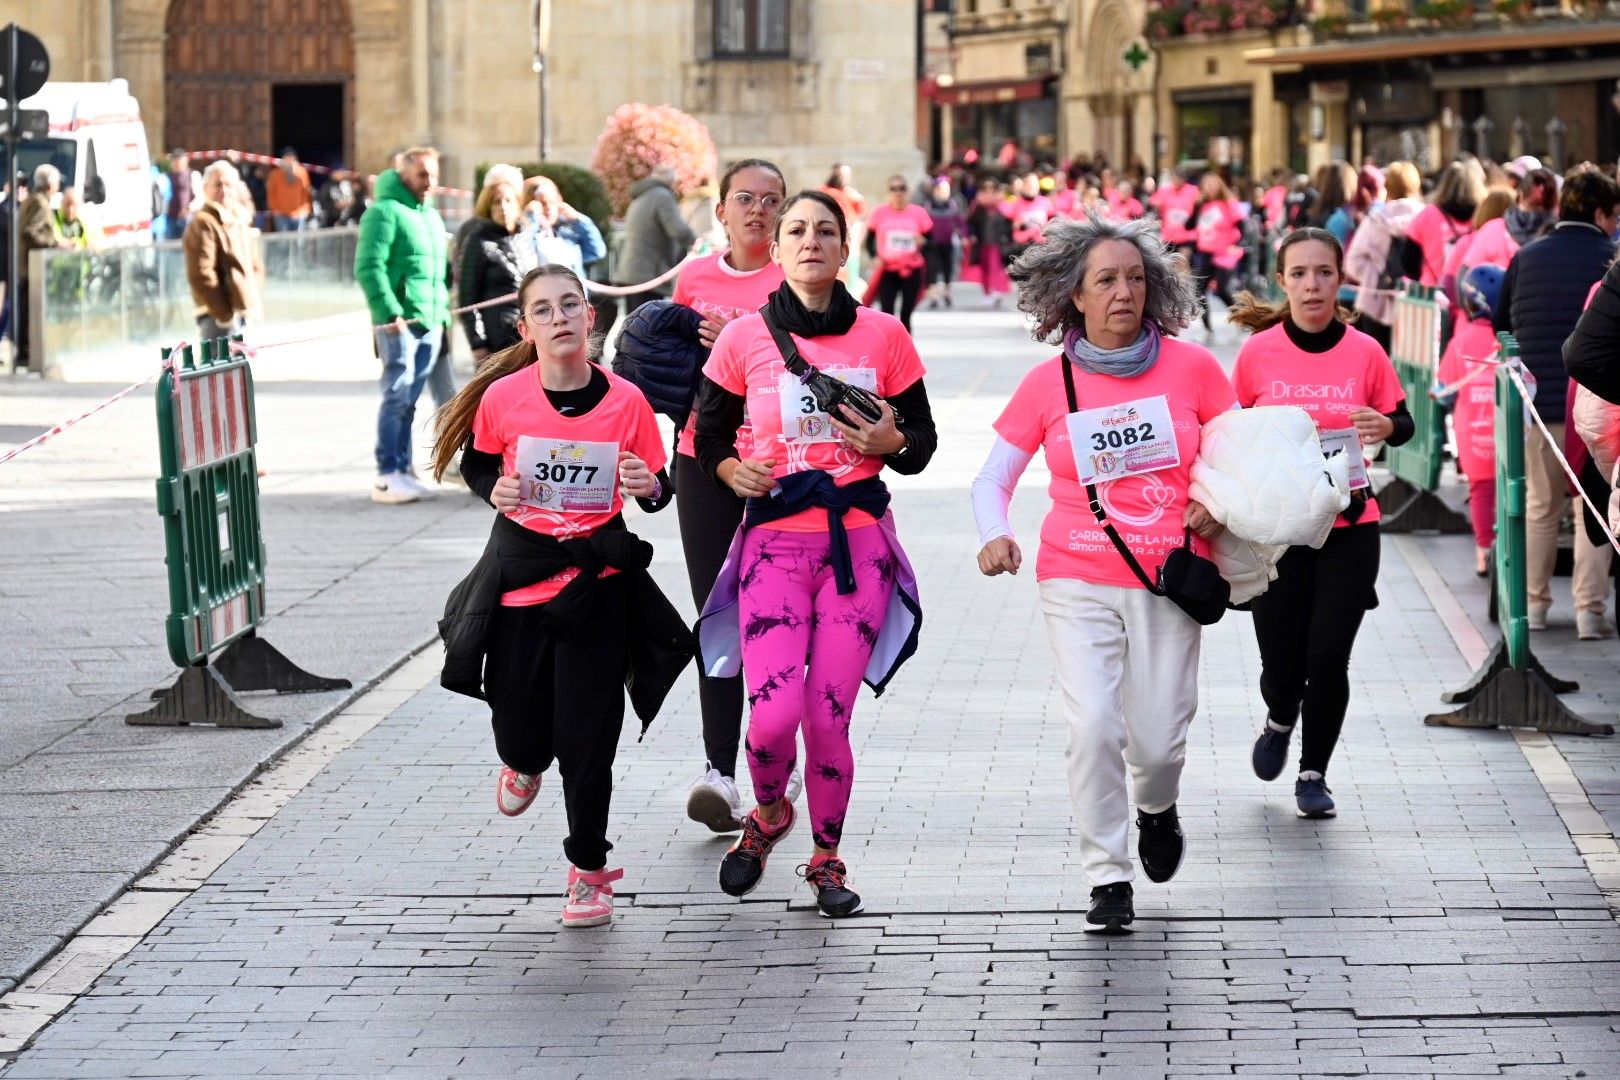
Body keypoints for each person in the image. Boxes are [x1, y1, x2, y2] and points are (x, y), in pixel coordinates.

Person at [971, 215, 1235, 932]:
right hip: (1074, 575)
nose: (1124, 292)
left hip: (1168, 583)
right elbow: (991, 480)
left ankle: (1157, 807)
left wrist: (1217, 503)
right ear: (1074, 297)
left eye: (1135, 279)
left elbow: (1242, 457)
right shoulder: (1047, 382)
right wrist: (995, 535)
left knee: (1157, 740)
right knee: (1091, 725)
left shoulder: (1195, 369)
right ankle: (1107, 877)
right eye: (1106, 280)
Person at [692, 190, 936, 918]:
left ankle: (826, 856)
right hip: (772, 548)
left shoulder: (885, 336)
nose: (809, 241)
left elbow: (920, 444)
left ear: (845, 246)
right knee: (769, 724)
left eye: (825, 231)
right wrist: (733, 473)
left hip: (857, 549)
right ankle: (768, 815)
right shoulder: (744, 340)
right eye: (796, 229)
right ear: (778, 246)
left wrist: (893, 444)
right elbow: (706, 438)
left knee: (827, 721)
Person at [431, 263, 682, 928]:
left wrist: (646, 484)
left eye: (571, 305)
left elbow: (659, 488)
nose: (560, 317)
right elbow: (481, 461)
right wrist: (494, 490)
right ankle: (519, 762)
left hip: (597, 589)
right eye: (544, 310)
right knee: (521, 730)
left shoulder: (626, 401)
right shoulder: (503, 398)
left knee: (589, 742)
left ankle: (588, 872)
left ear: (591, 317)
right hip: (521, 584)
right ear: (527, 327)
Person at [1227, 228, 1413, 819]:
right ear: (1282, 280)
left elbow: (1402, 420)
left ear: (1340, 279)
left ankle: (1314, 773)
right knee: (1282, 664)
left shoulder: (1365, 350)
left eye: (1324, 273)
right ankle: (1280, 715)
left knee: (1328, 657)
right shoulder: (1258, 353)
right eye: (1301, 273)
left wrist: (1387, 428)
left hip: (1351, 525)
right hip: (1278, 533)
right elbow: (1231, 435)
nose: (1313, 285)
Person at [669, 158, 791, 832]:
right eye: (744, 198)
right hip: (701, 459)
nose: (758, 210)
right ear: (720, 210)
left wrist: (744, 346)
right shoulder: (694, 279)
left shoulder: (798, 278)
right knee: (717, 613)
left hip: (782, 467)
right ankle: (718, 772)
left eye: (771, 200)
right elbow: (666, 372)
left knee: (775, 616)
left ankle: (774, 758)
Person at [1495, 166, 1620, 638]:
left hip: (1539, 402)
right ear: (1600, 212)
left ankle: (1534, 610)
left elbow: (1500, 320)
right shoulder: (1610, 259)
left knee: (1540, 507)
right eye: (1614, 215)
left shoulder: (1527, 256)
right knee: (1593, 504)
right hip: (1599, 406)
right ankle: (1590, 613)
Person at [355, 146, 452, 505]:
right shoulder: (383, 212)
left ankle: (403, 469)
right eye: (422, 174)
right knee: (396, 395)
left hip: (429, 320)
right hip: (400, 323)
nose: (429, 182)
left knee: (409, 400)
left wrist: (441, 314)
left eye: (434, 175)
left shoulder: (429, 215)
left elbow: (437, 274)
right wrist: (388, 313)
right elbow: (369, 267)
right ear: (403, 172)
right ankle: (386, 473)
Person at [1438, 264, 1506, 576]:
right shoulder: (1508, 339)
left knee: (1480, 492)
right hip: (1508, 430)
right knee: (1510, 490)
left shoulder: (1461, 341)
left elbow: (1444, 390)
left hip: (1472, 430)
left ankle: (1483, 552)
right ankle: (1509, 547)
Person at [1344, 161, 1425, 352]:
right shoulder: (1426, 218)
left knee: (1376, 368)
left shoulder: (1375, 220)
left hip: (1376, 303)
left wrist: (1376, 276)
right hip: (1419, 304)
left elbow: (1353, 262)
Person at [458, 179, 536, 361]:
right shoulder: (478, 241)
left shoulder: (525, 238)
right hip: (496, 338)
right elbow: (467, 299)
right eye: (496, 201)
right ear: (487, 207)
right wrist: (478, 342)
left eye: (508, 200)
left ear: (518, 203)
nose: (503, 207)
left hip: (530, 333)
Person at [184, 161, 264, 340]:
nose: (224, 190)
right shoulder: (204, 222)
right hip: (217, 318)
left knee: (241, 367)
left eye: (229, 185)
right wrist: (224, 315)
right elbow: (201, 274)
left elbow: (254, 264)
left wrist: (250, 293)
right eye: (218, 184)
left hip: (242, 312)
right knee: (219, 366)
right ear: (205, 189)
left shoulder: (240, 219)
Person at [617, 165, 697, 315]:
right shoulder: (662, 196)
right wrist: (697, 241)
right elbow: (677, 230)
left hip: (632, 270)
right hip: (650, 272)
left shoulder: (641, 196)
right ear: (671, 181)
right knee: (647, 325)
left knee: (633, 323)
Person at [15, 164, 72, 369]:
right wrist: (55, 244)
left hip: (31, 268)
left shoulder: (36, 200)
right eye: (56, 182)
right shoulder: (39, 203)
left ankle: (25, 351)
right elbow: (30, 232)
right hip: (33, 268)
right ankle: (25, 352)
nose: (58, 186)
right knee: (29, 313)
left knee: (28, 311)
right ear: (50, 184)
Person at [865, 175, 933, 332]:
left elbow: (931, 241)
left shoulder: (919, 213)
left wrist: (923, 241)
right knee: (886, 313)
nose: (898, 192)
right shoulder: (879, 213)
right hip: (888, 268)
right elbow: (869, 240)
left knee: (906, 313)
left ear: (907, 191)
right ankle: (889, 349)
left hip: (912, 268)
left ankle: (905, 350)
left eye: (902, 188)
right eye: (893, 189)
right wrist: (874, 256)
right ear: (888, 192)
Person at [1407, 161, 1483, 289]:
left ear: (1444, 184)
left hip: (1431, 294)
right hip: (1472, 295)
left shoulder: (1427, 215)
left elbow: (1408, 259)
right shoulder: (1482, 217)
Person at [524, 175, 606, 280]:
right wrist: (531, 219)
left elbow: (597, 252)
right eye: (543, 203)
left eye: (552, 202)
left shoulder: (567, 234)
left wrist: (578, 220)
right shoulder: (528, 235)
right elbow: (525, 253)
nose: (548, 208)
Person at [1191, 173, 1245, 332]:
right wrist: (1196, 206)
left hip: (1224, 253)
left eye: (1213, 184)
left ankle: (1243, 315)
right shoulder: (1202, 206)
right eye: (1206, 185)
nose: (1210, 188)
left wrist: (1237, 244)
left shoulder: (1229, 204)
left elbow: (1243, 225)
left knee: (1221, 289)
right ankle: (1207, 325)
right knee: (1199, 291)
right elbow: (1189, 225)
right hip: (1206, 252)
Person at [919, 174, 967, 309]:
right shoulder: (928, 206)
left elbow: (960, 222)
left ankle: (947, 292)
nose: (943, 192)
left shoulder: (953, 205)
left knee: (948, 268)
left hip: (948, 242)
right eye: (940, 189)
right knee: (932, 269)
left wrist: (963, 235)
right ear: (935, 190)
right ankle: (933, 295)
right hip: (931, 243)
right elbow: (922, 223)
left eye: (946, 190)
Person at [965, 180, 1013, 307]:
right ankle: (987, 292)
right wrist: (971, 235)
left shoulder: (1001, 204)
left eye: (991, 188)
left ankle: (996, 291)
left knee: (996, 268)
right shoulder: (977, 205)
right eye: (986, 188)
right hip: (982, 242)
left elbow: (1009, 219)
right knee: (985, 269)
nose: (988, 191)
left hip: (997, 242)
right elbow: (970, 222)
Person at [1149, 169, 1199, 261]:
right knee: (1169, 264)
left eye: (1179, 178)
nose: (1176, 181)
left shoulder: (1193, 190)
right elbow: (1153, 204)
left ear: (1184, 179)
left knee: (1183, 262)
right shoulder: (1164, 190)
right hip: (1168, 236)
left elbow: (1200, 207)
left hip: (1187, 235)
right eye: (1174, 178)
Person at [266, 149, 315, 233]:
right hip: (281, 214)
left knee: (299, 243)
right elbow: (271, 193)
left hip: (299, 213)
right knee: (283, 243)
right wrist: (274, 209)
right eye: (287, 157)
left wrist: (306, 209)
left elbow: (306, 191)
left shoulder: (302, 172)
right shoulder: (274, 174)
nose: (290, 160)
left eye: (292, 157)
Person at [166, 151, 198, 238]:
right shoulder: (165, 176)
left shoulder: (193, 175)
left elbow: (200, 197)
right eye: (175, 163)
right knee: (170, 247)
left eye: (179, 162)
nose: (177, 165)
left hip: (188, 218)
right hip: (170, 218)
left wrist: (189, 208)